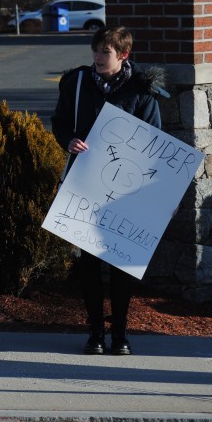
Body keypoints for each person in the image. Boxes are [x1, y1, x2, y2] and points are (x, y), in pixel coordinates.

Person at [51, 26, 167, 356]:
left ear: (123, 55)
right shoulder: (76, 83)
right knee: (88, 261)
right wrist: (68, 140)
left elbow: (155, 143)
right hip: (85, 184)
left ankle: (120, 333)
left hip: (127, 189)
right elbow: (59, 122)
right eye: (95, 51)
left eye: (105, 52)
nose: (97, 58)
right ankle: (94, 332)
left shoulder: (141, 90)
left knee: (120, 264)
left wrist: (163, 196)